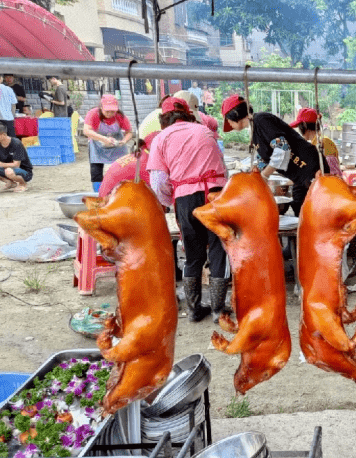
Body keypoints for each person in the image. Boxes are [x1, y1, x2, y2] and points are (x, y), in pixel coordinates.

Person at [147, 97, 228, 323]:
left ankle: (193, 310)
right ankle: (217, 311)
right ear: (188, 114)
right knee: (218, 250)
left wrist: (172, 200)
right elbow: (223, 169)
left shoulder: (160, 138)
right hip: (215, 194)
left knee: (192, 254)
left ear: (163, 119)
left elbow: (158, 181)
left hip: (185, 197)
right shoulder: (204, 131)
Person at [221, 95, 330, 215]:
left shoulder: (261, 120)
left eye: (228, 120)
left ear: (235, 114)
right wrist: (255, 173)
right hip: (298, 176)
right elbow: (266, 157)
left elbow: (282, 149)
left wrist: (265, 175)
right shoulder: (254, 130)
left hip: (311, 168)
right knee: (298, 208)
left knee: (314, 212)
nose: (229, 124)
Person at [83, 94, 133, 192]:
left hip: (117, 145)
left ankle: (120, 192)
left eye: (113, 111)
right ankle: (98, 194)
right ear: (101, 107)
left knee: (122, 169)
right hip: (97, 145)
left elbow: (129, 132)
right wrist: (104, 139)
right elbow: (86, 131)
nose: (110, 113)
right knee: (96, 171)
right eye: (107, 111)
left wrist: (123, 141)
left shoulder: (120, 116)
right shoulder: (93, 114)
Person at [291, 107, 339, 174]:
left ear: (304, 126)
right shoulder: (314, 143)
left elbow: (331, 173)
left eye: (299, 127)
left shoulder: (325, 143)